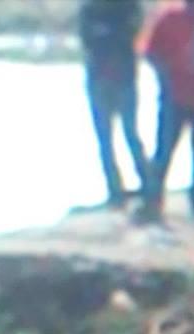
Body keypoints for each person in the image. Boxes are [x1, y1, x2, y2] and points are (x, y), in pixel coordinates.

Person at [136, 0, 194, 224]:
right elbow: (149, 52)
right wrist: (165, 78)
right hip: (175, 97)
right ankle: (154, 200)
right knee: (166, 150)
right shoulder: (168, 17)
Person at [78, 0, 150, 207]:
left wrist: (106, 34)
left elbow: (131, 34)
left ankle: (138, 185)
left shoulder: (119, 7)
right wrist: (113, 34)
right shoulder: (97, 7)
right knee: (111, 137)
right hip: (110, 76)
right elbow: (88, 38)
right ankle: (121, 188)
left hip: (112, 76)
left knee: (123, 135)